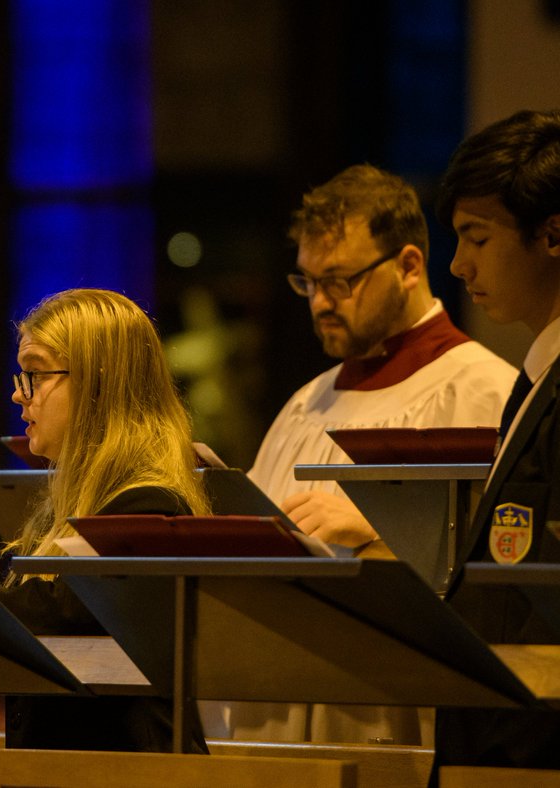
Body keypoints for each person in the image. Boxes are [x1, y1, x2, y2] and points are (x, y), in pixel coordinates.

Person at [231, 164, 516, 745]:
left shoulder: (486, 392)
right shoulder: (305, 405)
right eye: (308, 282)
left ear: (409, 266)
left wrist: (383, 532)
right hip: (284, 703)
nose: (319, 303)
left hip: (399, 712)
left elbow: (508, 570)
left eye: (340, 281)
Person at [0, 288, 212, 752]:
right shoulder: (80, 505)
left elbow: (56, 615)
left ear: (98, 381)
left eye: (34, 373)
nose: (18, 393)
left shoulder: (151, 509)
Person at [432, 108, 560, 778]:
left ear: (553, 234)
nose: (458, 264)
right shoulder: (536, 378)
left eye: (476, 237)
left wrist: (508, 759)